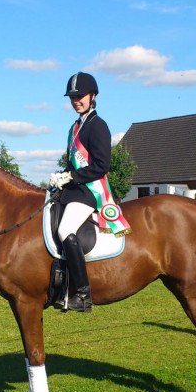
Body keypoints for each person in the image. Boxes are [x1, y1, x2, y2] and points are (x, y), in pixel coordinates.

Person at [49, 72, 130, 312]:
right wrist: (60, 177)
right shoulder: (74, 128)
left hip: (89, 193)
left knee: (65, 229)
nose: (76, 101)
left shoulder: (98, 126)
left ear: (92, 96)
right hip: (73, 190)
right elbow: (72, 164)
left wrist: (72, 177)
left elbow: (101, 166)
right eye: (72, 97)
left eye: (80, 96)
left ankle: (82, 294)